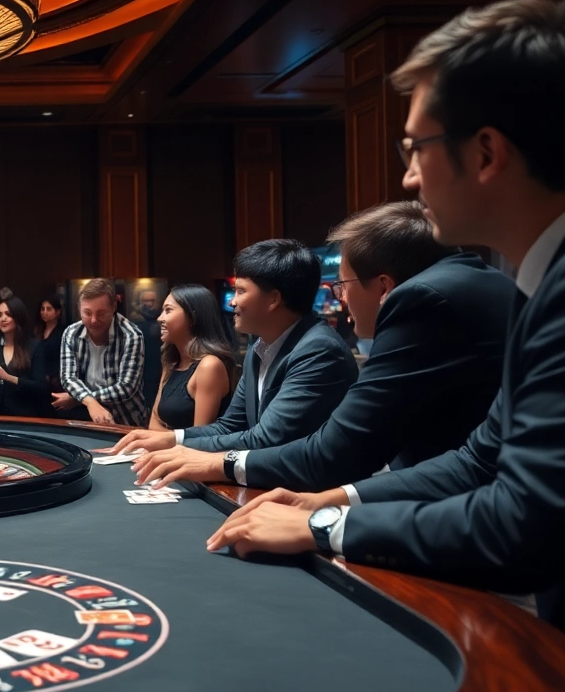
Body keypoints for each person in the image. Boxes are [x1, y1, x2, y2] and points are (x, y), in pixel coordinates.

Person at [206, 0, 565, 634]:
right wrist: (338, 498)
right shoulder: (533, 280)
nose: (407, 178)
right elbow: (481, 456)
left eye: (416, 148)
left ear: (486, 154)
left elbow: (523, 527)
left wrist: (322, 526)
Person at [132, 201, 513, 490]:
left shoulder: (333, 343)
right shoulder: (260, 346)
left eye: (342, 286)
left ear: (384, 288)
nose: (340, 299)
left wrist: (216, 463)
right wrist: (174, 439)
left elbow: (336, 451)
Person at [102, 240, 358, 454]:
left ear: (273, 299)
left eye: (240, 291)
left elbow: (266, 439)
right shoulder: (259, 350)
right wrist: (171, 439)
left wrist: (191, 456)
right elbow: (230, 426)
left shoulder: (319, 350)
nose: (232, 302)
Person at [53, 279, 147, 425]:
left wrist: (80, 399)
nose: (94, 320)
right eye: (87, 313)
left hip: (127, 419)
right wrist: (89, 402)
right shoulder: (71, 333)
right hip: (87, 418)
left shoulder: (131, 335)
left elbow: (126, 387)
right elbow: (68, 378)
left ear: (114, 307)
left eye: (101, 313)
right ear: (79, 309)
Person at [148, 285, 237, 431]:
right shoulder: (171, 362)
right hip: (169, 451)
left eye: (168, 310)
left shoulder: (209, 366)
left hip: (196, 453)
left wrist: (163, 439)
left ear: (192, 318)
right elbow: (153, 423)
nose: (160, 318)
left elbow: (199, 438)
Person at [0, 295, 48, 417]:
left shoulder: (34, 346)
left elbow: (41, 387)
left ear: (18, 317)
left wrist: (9, 378)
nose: (2, 319)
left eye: (8, 314)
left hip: (24, 415)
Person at [130, 287, 165, 411]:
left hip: (160, 369)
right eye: (145, 301)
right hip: (139, 373)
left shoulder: (164, 321)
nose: (149, 304)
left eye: (152, 301)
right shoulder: (131, 323)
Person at [36, 295, 66, 394]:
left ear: (57, 312)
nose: (44, 312)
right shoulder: (37, 331)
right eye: (42, 309)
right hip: (39, 375)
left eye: (49, 309)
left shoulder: (63, 332)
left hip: (56, 378)